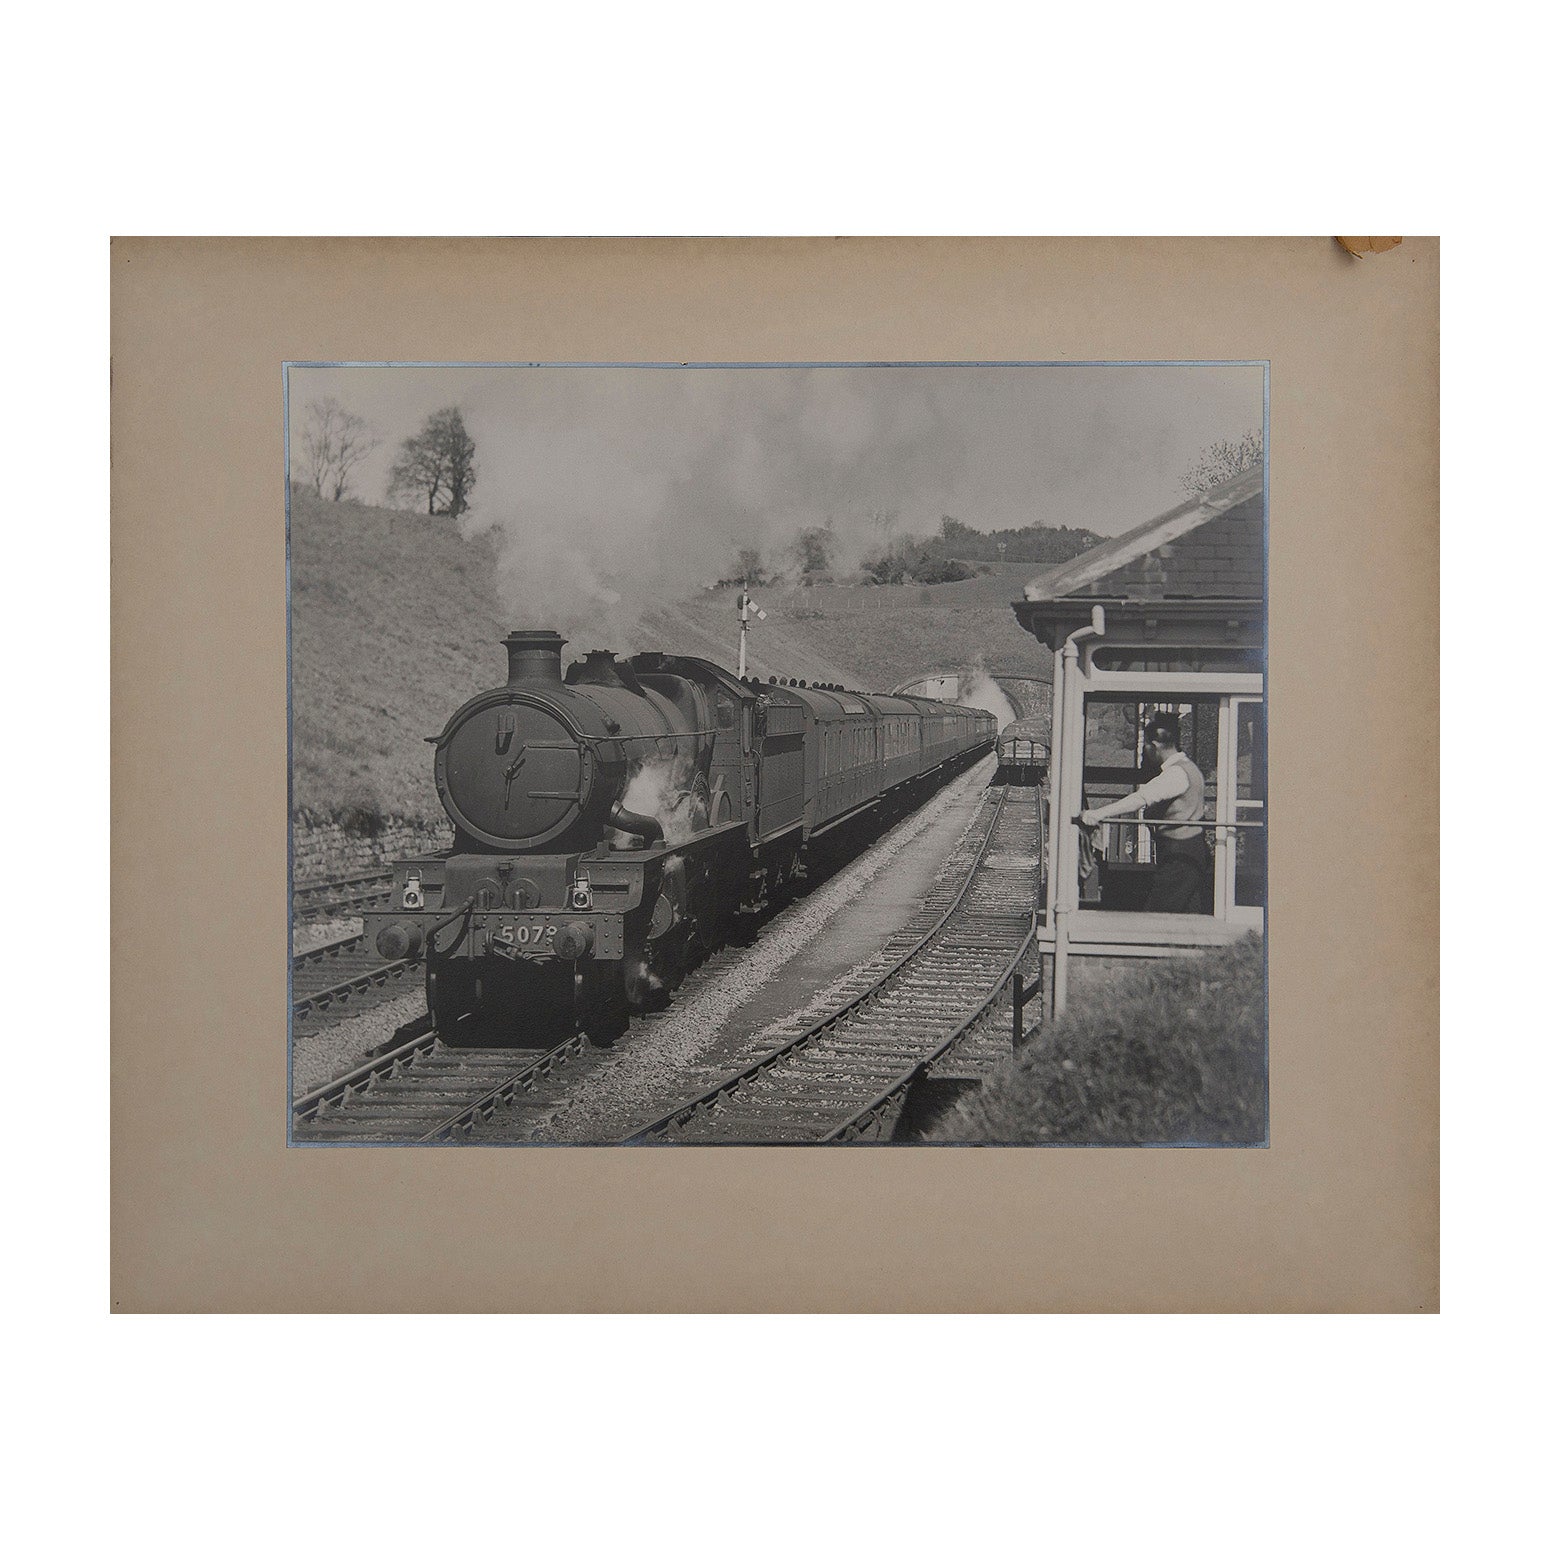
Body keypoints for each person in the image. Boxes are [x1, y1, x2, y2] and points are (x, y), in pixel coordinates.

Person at [1079, 712, 1212, 913]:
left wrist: (1098, 814)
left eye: (1146, 748)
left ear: (1154, 746)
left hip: (1180, 855)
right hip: (1188, 852)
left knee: (1156, 913)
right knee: (1188, 914)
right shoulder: (1189, 768)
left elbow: (1141, 798)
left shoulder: (1175, 774)